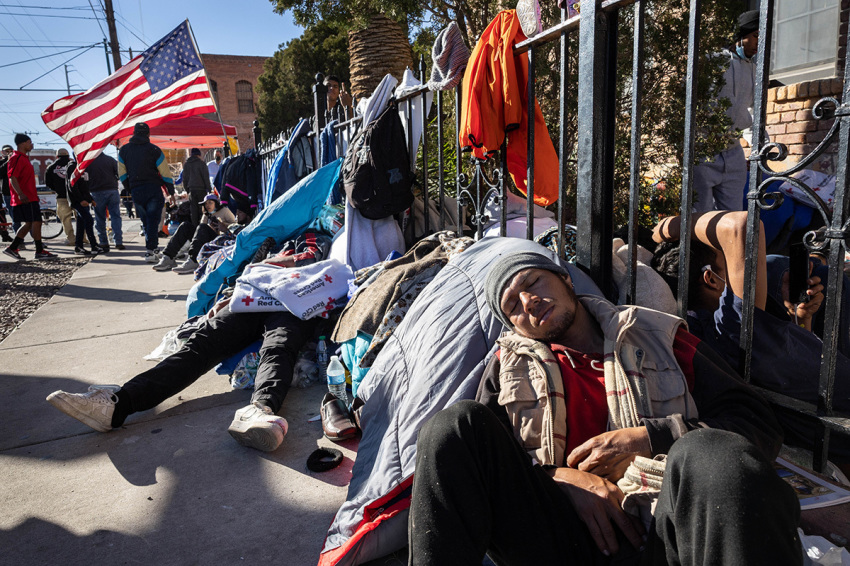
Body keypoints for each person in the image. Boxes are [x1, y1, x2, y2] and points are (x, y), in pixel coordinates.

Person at [407, 251, 802, 565]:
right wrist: (555, 477)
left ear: (564, 280)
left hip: (663, 533)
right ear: (514, 327)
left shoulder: (657, 336)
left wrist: (652, 437)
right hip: (560, 541)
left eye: (533, 282)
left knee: (712, 453)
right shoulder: (507, 370)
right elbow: (486, 466)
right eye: (513, 304)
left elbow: (758, 425)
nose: (529, 301)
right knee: (451, 426)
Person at [46, 230, 335, 453]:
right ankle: (117, 405)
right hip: (255, 298)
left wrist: (278, 264)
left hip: (295, 301)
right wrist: (229, 297)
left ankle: (259, 410)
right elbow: (251, 271)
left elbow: (316, 263)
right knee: (201, 345)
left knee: (279, 346)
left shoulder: (318, 236)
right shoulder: (271, 238)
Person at [652, 211, 850, 469]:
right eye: (729, 263)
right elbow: (742, 225)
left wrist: (800, 321)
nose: (749, 270)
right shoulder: (731, 324)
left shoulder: (713, 329)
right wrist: (672, 226)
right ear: (711, 279)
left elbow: (790, 374)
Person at [692, 10, 759, 212]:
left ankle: (725, 245)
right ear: (741, 35)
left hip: (733, 152)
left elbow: (753, 110)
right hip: (705, 150)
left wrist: (760, 144)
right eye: (756, 35)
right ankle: (699, 246)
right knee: (700, 216)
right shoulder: (713, 61)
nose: (759, 42)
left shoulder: (755, 69)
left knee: (733, 215)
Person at [118, 122, 175, 262]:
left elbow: (122, 174)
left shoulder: (124, 150)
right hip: (153, 189)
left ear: (134, 133)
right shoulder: (154, 150)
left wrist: (130, 187)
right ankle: (152, 250)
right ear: (148, 134)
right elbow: (165, 173)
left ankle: (151, 250)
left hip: (136, 190)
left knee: (145, 221)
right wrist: (171, 191)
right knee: (152, 221)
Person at [3, 134, 57, 260]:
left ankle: (15, 248)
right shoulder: (16, 158)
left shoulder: (23, 158)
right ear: (22, 144)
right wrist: (20, 193)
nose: (31, 145)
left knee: (31, 223)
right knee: (35, 222)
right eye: (29, 142)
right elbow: (12, 177)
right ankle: (37, 250)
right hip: (25, 197)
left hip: (30, 196)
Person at [153, 194, 235, 273]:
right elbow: (202, 228)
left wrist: (223, 226)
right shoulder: (206, 214)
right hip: (208, 240)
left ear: (216, 203)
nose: (207, 205)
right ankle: (168, 257)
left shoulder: (224, 211)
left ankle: (194, 260)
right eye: (205, 203)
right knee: (185, 226)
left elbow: (235, 226)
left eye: (210, 202)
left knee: (202, 227)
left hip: (221, 241)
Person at [86, 151, 124, 252]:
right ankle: (118, 241)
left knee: (100, 218)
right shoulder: (110, 160)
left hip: (96, 191)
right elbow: (120, 173)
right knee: (115, 216)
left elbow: (85, 178)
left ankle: (103, 242)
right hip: (112, 190)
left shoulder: (89, 162)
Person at [66, 159, 103, 256]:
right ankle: (93, 245)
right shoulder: (73, 167)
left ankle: (79, 247)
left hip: (85, 201)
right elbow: (72, 185)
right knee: (89, 220)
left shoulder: (84, 167)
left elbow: (85, 186)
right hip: (78, 201)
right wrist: (80, 200)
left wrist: (90, 199)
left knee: (81, 223)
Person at [44, 148, 76, 245]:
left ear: (57, 156)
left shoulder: (51, 167)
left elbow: (48, 183)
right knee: (80, 217)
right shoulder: (74, 165)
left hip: (61, 196)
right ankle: (82, 238)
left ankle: (71, 239)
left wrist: (57, 189)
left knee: (65, 219)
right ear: (68, 155)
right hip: (75, 196)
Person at [181, 147, 212, 227]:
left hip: (191, 190)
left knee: (193, 211)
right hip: (201, 190)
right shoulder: (201, 164)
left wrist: (187, 190)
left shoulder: (187, 164)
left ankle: (194, 228)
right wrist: (209, 190)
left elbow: (185, 179)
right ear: (198, 155)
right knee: (202, 210)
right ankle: (202, 227)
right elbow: (206, 178)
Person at [0, 144, 17, 242]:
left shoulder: (16, 161)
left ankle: (6, 236)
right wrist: (7, 161)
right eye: (6, 151)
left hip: (17, 191)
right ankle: (6, 236)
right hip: (6, 192)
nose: (8, 152)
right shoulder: (3, 162)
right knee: (11, 215)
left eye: (10, 151)